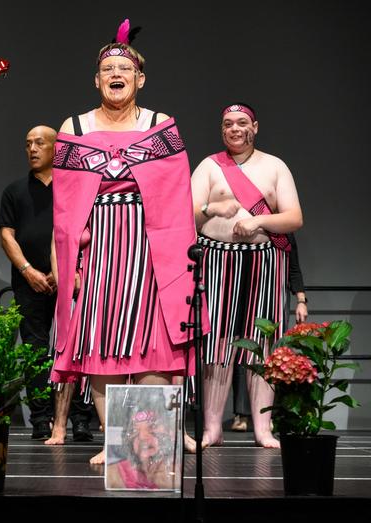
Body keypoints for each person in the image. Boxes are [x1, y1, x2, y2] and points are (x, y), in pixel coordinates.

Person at [50, 19, 201, 464]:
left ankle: (157, 437)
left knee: (153, 339)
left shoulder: (161, 125)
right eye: (108, 69)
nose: (116, 75)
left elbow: (175, 195)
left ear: (140, 79)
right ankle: (116, 441)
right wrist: (74, 253)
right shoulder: (74, 126)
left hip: (151, 247)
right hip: (100, 248)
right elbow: (65, 205)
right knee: (101, 338)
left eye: (125, 68)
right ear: (97, 80)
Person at [190, 102, 303, 449]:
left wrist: (258, 220)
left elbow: (294, 217)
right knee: (217, 343)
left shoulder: (274, 166)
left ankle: (262, 429)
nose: (235, 129)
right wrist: (212, 207)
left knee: (262, 344)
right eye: (228, 124)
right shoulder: (210, 166)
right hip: (216, 261)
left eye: (242, 123)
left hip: (264, 260)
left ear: (255, 126)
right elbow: (187, 214)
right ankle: (213, 427)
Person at [0, 125, 92, 443]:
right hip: (30, 282)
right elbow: (6, 234)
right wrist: (28, 271)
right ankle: (40, 419)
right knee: (35, 351)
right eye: (27, 144)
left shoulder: (75, 188)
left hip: (73, 280)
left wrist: (66, 272)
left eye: (40, 143)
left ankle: (79, 418)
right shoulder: (15, 190)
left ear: (56, 148)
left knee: (77, 348)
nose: (32, 149)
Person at [230, 232, 308, 432]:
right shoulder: (251, 231)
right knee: (245, 354)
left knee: (272, 356)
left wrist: (301, 300)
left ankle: (268, 414)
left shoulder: (284, 234)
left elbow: (294, 269)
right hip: (247, 300)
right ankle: (241, 414)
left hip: (275, 300)